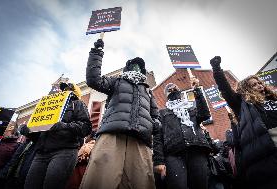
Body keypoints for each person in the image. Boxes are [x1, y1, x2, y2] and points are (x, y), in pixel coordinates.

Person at [80, 39, 161, 189]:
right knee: (101, 179)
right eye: (133, 65)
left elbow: (156, 117)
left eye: (139, 67)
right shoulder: (117, 81)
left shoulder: (148, 92)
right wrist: (97, 52)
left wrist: (152, 124)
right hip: (112, 136)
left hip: (139, 141)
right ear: (127, 68)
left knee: (141, 181)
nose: (136, 68)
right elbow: (93, 80)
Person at [210, 56, 277, 189]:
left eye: (260, 83)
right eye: (254, 84)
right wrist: (217, 69)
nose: (259, 85)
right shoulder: (242, 104)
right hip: (267, 155)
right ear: (246, 89)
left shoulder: (273, 99)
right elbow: (226, 90)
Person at [23, 82, 92, 189]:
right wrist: (28, 132)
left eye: (68, 89)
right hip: (41, 154)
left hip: (64, 152)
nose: (64, 91)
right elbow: (39, 136)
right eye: (63, 89)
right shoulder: (48, 107)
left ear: (74, 93)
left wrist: (64, 126)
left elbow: (86, 127)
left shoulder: (77, 104)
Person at [153, 78, 212, 189]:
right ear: (166, 95)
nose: (172, 88)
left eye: (175, 87)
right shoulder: (162, 113)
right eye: (169, 89)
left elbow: (205, 114)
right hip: (173, 154)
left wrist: (197, 90)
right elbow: (157, 137)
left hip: (196, 150)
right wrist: (159, 161)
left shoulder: (191, 108)